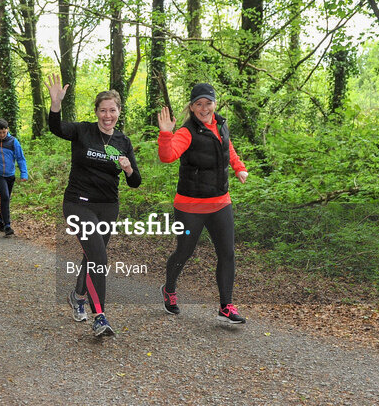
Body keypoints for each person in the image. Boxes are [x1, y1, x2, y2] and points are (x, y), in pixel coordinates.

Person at [48, 74, 141, 337]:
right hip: (78, 203)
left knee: (93, 256)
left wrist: (129, 168)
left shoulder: (122, 141)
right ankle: (100, 316)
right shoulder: (82, 131)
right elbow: (56, 128)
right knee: (99, 257)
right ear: (96, 112)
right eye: (103, 110)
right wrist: (56, 105)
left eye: (112, 110)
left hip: (108, 207)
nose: (107, 115)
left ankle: (78, 296)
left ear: (119, 112)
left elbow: (135, 182)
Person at [156, 83, 249, 325]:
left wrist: (239, 168)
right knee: (185, 251)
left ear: (215, 104)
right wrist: (166, 133)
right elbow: (168, 156)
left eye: (208, 103)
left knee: (227, 253)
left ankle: (226, 306)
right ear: (192, 107)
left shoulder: (221, 125)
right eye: (199, 104)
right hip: (190, 206)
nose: (204, 108)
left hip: (220, 202)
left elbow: (227, 149)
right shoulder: (187, 132)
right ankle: (169, 289)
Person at [0, 119, 28, 237]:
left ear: (7, 130)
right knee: (5, 197)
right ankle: (7, 225)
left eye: (4, 132)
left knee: (5, 199)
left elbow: (20, 158)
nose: (2, 135)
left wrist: (24, 173)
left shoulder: (13, 141)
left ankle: (1, 220)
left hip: (10, 175)